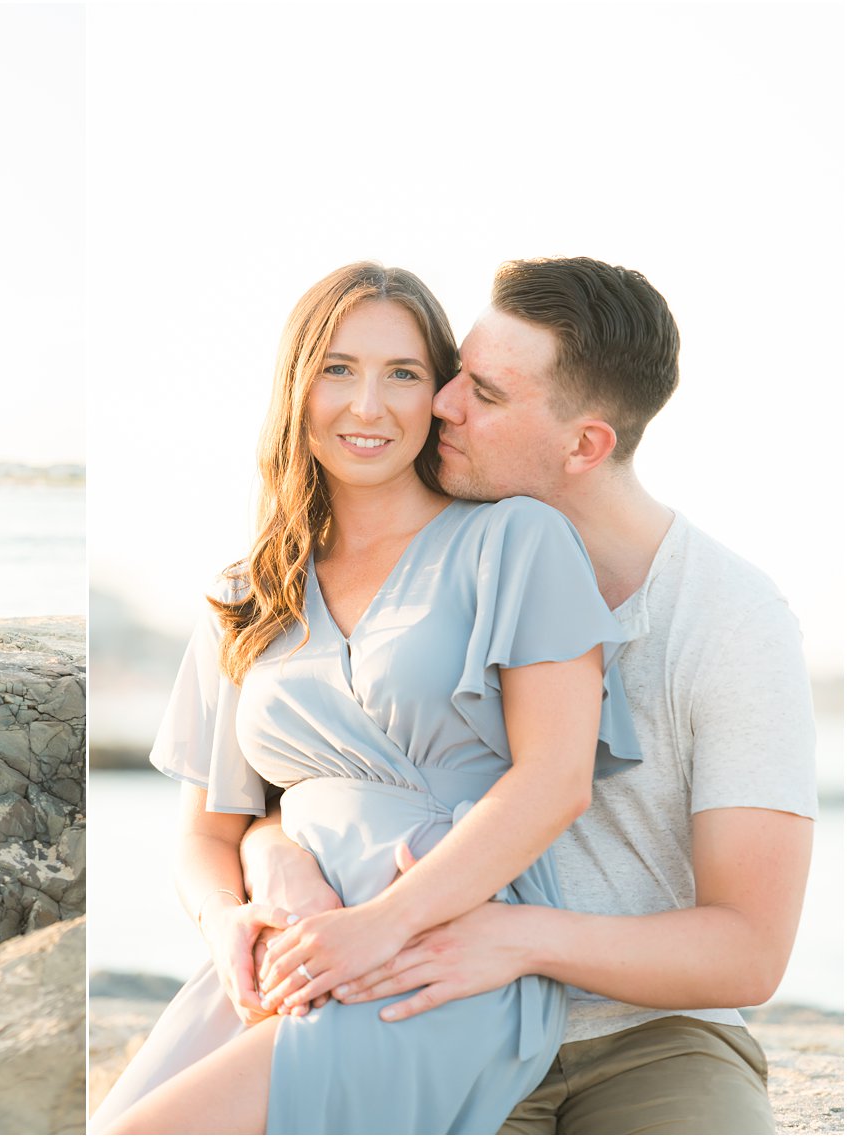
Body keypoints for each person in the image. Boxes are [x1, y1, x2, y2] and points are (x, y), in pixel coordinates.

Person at [242, 257, 817, 1133]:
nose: (439, 404)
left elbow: (750, 950)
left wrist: (522, 938)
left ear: (585, 445)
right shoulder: (416, 568)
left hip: (649, 1038)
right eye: (454, 374)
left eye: (485, 394)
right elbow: (328, 778)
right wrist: (274, 848)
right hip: (436, 1011)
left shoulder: (730, 620)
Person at [90, 263, 642, 1134]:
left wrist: (381, 925)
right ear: (297, 387)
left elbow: (555, 781)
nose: (369, 406)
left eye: (404, 374)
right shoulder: (249, 591)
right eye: (339, 370)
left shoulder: (514, 541)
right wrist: (228, 919)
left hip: (439, 949)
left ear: (440, 397)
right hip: (287, 955)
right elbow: (206, 832)